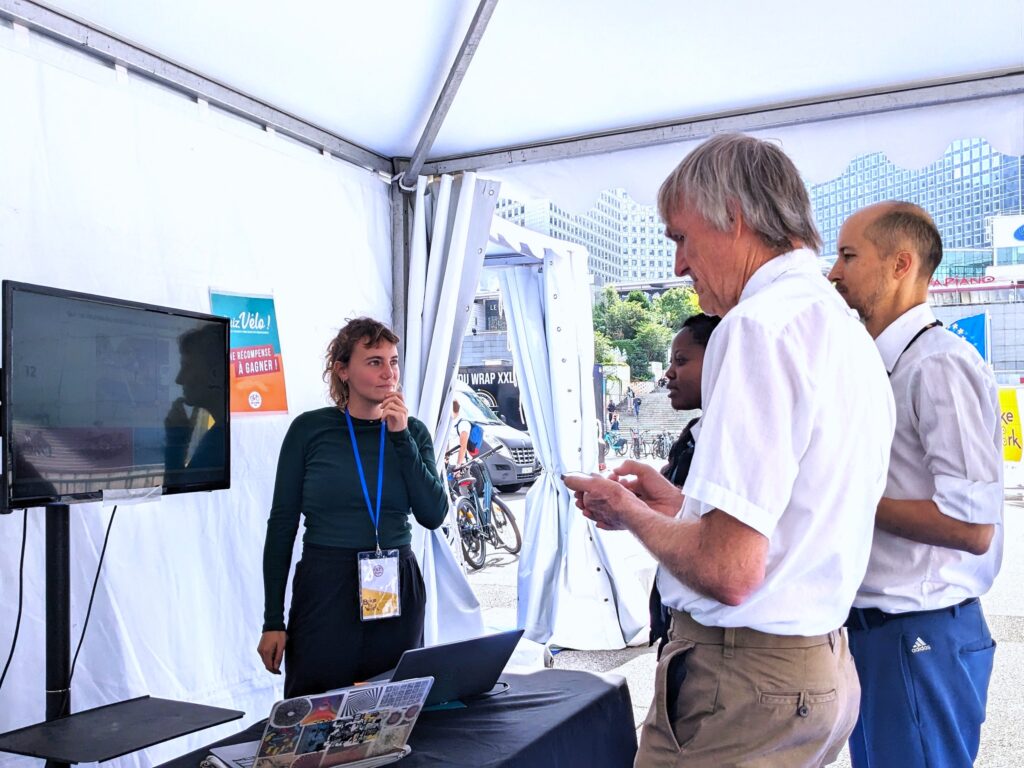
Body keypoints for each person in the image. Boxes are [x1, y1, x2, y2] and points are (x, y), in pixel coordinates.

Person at [564, 133, 895, 767]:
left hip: (744, 681)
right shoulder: (843, 329)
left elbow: (729, 570)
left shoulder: (755, 325)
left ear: (734, 218)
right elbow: (788, 518)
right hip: (814, 666)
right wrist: (677, 505)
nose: (680, 264)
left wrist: (628, 513)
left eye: (681, 238)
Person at [828, 202, 1002, 768]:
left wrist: (847, 494)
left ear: (901, 264)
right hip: (883, 633)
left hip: (919, 633)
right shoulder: (883, 364)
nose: (834, 272)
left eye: (849, 255)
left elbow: (973, 527)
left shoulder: (939, 365)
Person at [257, 317, 449, 698]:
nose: (388, 373)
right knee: (316, 707)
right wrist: (272, 619)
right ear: (343, 370)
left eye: (393, 361)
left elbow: (433, 514)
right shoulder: (310, 431)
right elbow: (282, 526)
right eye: (374, 361)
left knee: (394, 705)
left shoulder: (413, 432)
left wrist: (401, 437)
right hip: (327, 582)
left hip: (395, 581)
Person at [649, 312, 720, 655]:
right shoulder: (694, 434)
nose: (669, 373)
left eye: (681, 360)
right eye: (670, 361)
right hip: (680, 629)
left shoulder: (731, 440)